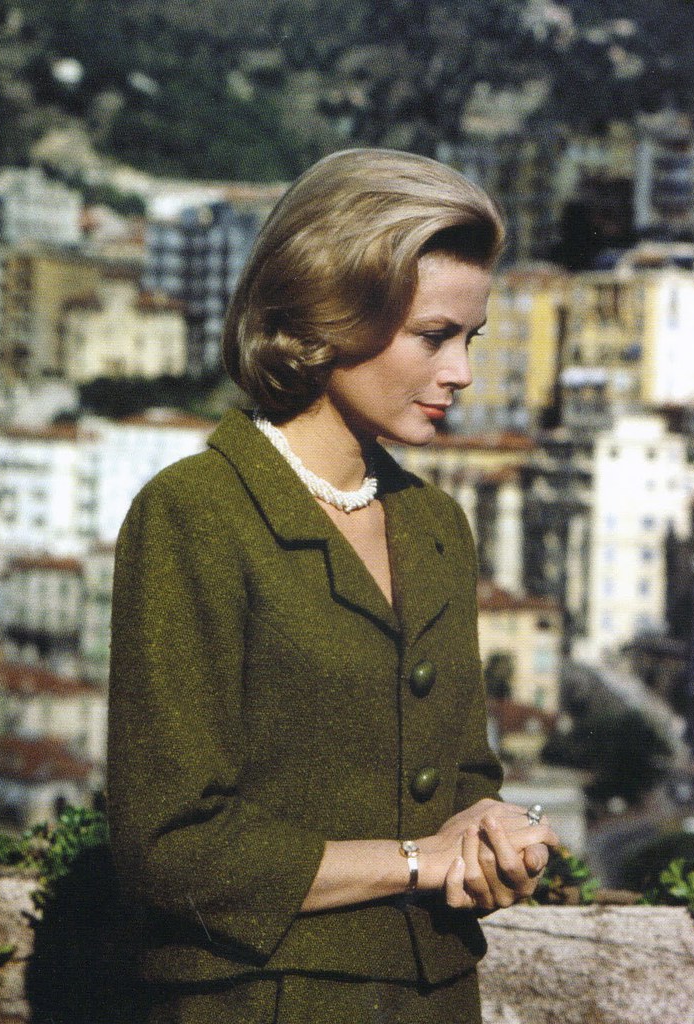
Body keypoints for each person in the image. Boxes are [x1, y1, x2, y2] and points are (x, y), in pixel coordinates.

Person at [107, 148, 559, 1024]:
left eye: (470, 339)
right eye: (433, 336)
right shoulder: (196, 513)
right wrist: (422, 860)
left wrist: (493, 833)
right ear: (329, 314)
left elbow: (461, 778)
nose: (462, 372)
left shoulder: (436, 524)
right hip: (261, 1003)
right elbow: (169, 849)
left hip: (436, 1000)